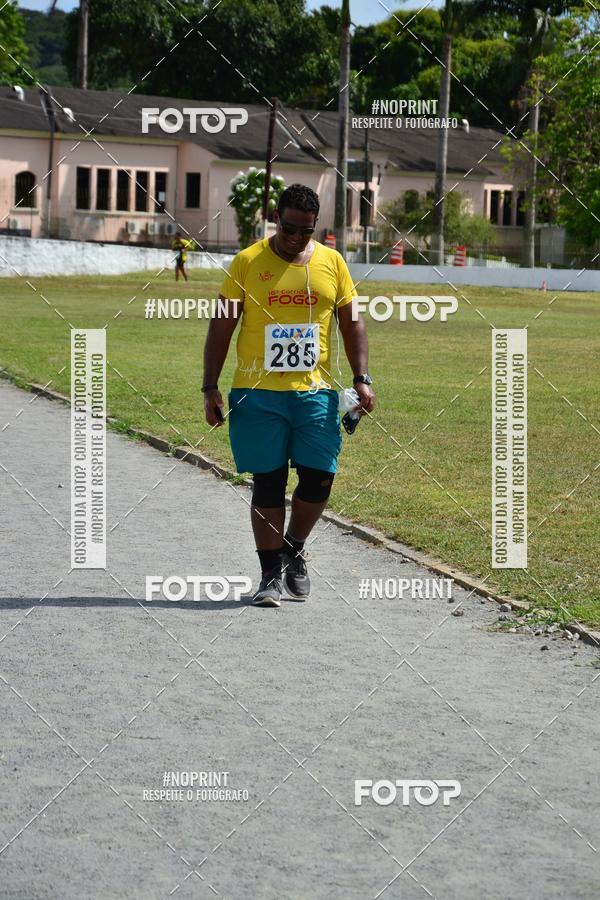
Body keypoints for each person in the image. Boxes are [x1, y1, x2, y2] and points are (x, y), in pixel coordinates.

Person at [202, 183, 375, 607]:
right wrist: (210, 386)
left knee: (319, 477)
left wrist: (362, 377)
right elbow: (221, 325)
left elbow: (352, 323)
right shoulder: (247, 262)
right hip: (256, 392)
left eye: (307, 230)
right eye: (290, 227)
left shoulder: (333, 263)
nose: (297, 237)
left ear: (317, 227)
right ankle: (269, 576)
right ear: (275, 218)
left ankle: (294, 546)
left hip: (313, 392)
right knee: (269, 481)